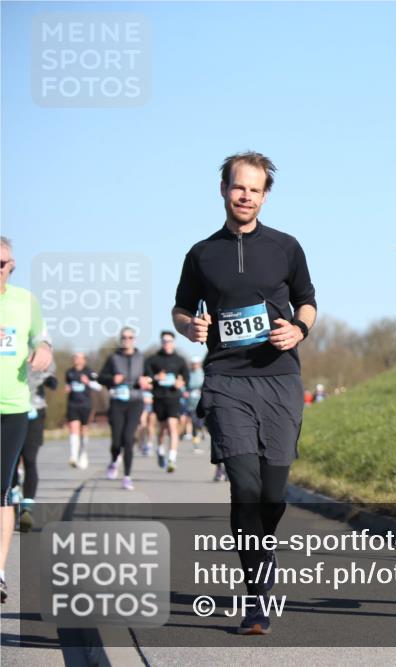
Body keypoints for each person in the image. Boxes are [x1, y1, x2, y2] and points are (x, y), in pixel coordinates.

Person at [173, 151, 316, 635]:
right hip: (226, 380)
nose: (246, 196)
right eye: (239, 187)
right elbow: (180, 309)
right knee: (246, 487)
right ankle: (256, 597)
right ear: (223, 189)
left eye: (255, 189)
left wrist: (298, 329)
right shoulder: (201, 254)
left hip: (279, 378)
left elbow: (308, 302)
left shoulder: (286, 247)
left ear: (265, 196)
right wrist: (190, 327)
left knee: (272, 494)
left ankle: (262, 549)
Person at [0, 236, 54, 603]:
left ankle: (0, 573)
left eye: (2, 264)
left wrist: (43, 349)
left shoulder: (25, 302)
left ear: (12, 266)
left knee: (2, 488)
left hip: (13, 408)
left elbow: (41, 338)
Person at [98, 327, 149, 490]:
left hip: (135, 402)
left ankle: (127, 477)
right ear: (120, 340)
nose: (127, 340)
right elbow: (100, 378)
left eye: (130, 337)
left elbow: (150, 378)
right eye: (124, 337)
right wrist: (112, 379)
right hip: (117, 402)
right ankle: (114, 460)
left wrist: (147, 381)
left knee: (128, 439)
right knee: (116, 441)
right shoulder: (113, 358)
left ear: (134, 339)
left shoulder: (142, 358)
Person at [17, 361, 58, 531]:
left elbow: (52, 379)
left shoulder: (42, 350)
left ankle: (26, 509)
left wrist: (50, 380)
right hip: (9, 410)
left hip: (35, 410)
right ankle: (12, 496)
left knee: (29, 458)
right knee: (10, 460)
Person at [143, 331, 189, 473]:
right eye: (164, 341)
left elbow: (186, 378)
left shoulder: (180, 360)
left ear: (173, 343)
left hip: (174, 397)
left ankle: (172, 459)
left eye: (169, 341)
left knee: (172, 426)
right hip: (159, 397)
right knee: (162, 429)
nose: (167, 343)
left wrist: (181, 383)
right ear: (161, 342)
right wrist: (156, 377)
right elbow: (146, 377)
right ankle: (160, 450)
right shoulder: (153, 359)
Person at [64, 352, 99, 469]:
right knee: (73, 429)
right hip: (72, 404)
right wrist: (67, 388)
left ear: (84, 360)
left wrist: (88, 382)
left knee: (84, 430)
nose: (77, 360)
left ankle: (83, 454)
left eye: (79, 358)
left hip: (86, 405)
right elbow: (68, 384)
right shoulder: (69, 372)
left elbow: (99, 386)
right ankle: (73, 456)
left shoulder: (90, 372)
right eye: (75, 357)